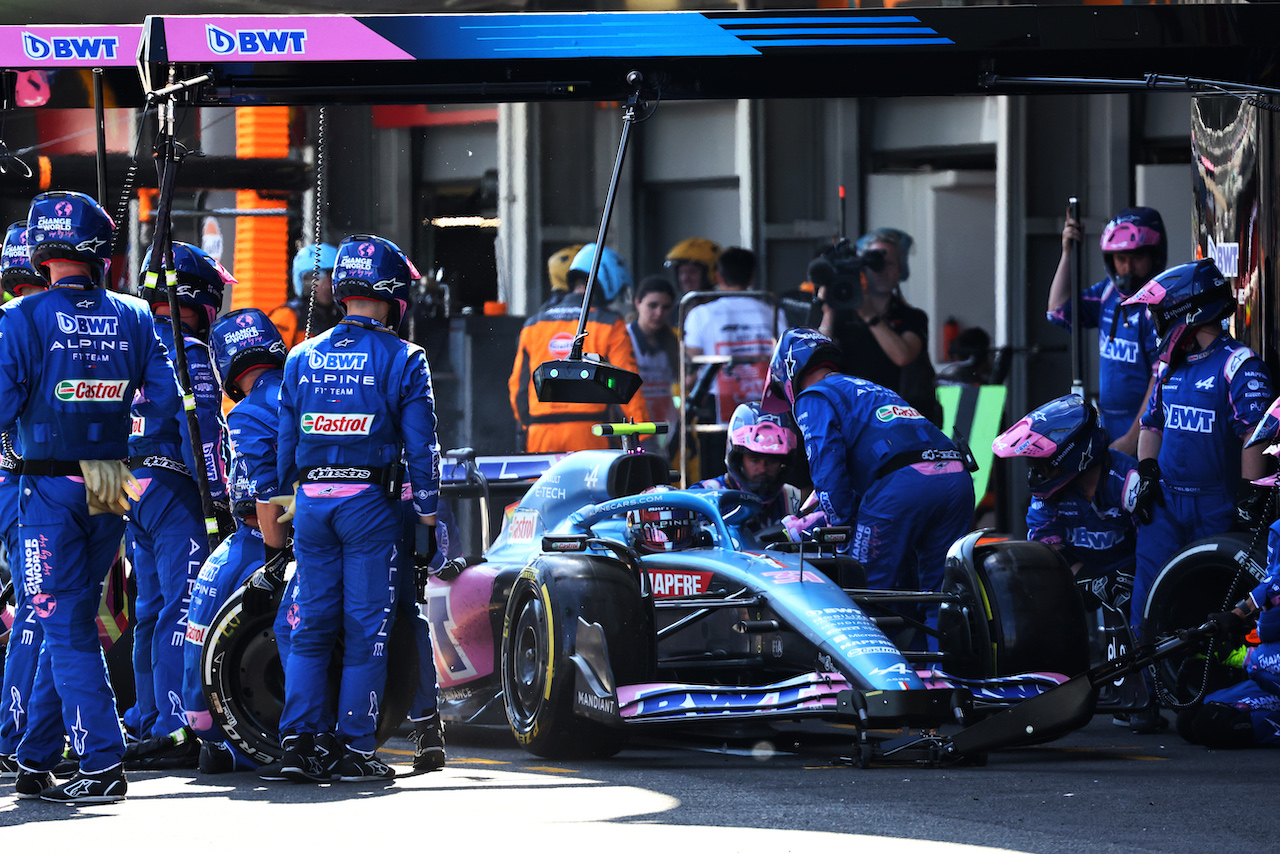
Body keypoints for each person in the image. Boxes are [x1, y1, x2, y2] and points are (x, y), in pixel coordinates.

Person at [1, 190, 182, 803]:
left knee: (63, 623)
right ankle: (34, 756)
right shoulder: (136, 316)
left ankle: (102, 764)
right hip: (113, 479)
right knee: (73, 619)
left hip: (48, 480)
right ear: (99, 251)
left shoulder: (19, 318)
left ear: (41, 249)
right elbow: (163, 402)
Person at [275, 234, 441, 783]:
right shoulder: (406, 358)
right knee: (367, 628)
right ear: (393, 294)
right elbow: (423, 449)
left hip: (310, 504)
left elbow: (283, 447)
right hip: (368, 504)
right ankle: (352, 748)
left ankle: (299, 743)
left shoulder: (299, 356)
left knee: (312, 625)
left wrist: (291, 495)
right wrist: (428, 517)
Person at [763, 327, 974, 640]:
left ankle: (882, 684)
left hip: (904, 484)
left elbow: (827, 470)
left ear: (788, 373)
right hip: (956, 476)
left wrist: (841, 526)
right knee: (940, 594)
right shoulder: (867, 388)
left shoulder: (813, 396)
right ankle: (942, 674)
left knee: (865, 593)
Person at [1124, 259, 1272, 640]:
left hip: (1218, 508)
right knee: (1147, 605)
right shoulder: (1169, 366)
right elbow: (1151, 424)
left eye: (1159, 314)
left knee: (1212, 607)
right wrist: (1147, 472)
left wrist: (1249, 498)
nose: (1156, 323)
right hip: (1166, 504)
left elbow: (1255, 434)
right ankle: (1146, 686)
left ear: (1185, 312)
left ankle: (1205, 691)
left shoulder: (1240, 364)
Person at [125, 242, 232, 764]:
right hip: (171, 485)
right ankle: (175, 726)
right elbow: (203, 435)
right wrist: (221, 502)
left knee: (146, 609)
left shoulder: (128, 342)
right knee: (181, 608)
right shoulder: (187, 352)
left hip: (119, 484)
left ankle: (146, 718)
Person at [182, 306, 289, 773]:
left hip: (257, 538)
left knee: (197, 621)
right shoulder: (307, 391)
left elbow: (263, 499)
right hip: (326, 535)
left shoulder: (243, 413)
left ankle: (209, 738)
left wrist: (273, 558)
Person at [1176, 405, 1280, 748]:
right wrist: (1227, 626)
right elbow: (1271, 585)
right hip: (1269, 670)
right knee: (1190, 721)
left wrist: (1241, 616)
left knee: (1214, 725)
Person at [992, 394, 1137, 612]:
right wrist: (1091, 583)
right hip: (1087, 582)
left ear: (1071, 454)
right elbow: (1047, 549)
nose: (1036, 474)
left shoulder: (1129, 481)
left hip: (1139, 583)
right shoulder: (1049, 495)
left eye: (1042, 465)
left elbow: (1156, 548)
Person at [508, 243, 649, 454]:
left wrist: (528, 427)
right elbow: (628, 388)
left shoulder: (533, 324)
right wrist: (644, 437)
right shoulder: (610, 324)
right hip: (591, 436)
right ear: (608, 281)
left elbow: (517, 388)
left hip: (540, 436)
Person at [1047, 207, 1166, 455]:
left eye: (1136, 257)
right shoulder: (1107, 293)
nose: (1128, 266)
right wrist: (1068, 252)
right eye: (1120, 258)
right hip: (1109, 424)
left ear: (1154, 255)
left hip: (1146, 430)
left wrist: (1133, 439)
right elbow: (1058, 311)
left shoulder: (1159, 306)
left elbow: (1161, 380)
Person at [0, 222, 49, 776]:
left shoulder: (12, 321)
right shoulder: (39, 327)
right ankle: (21, 737)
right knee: (54, 612)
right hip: (38, 487)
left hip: (25, 485)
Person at [808, 228, 940, 425]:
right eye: (877, 264)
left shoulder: (912, 316)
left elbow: (903, 356)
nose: (884, 271)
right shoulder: (839, 314)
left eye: (891, 264)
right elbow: (814, 358)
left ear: (901, 269)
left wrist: (868, 314)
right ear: (862, 268)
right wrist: (829, 311)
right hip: (850, 416)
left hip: (900, 418)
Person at [683, 247, 787, 478]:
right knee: (764, 471)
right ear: (751, 277)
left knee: (716, 475)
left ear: (719, 276)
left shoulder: (701, 314)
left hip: (717, 407)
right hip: (766, 406)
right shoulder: (771, 311)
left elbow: (691, 358)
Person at [696, 402, 804, 530]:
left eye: (772, 461)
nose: (763, 468)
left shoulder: (791, 499)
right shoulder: (705, 495)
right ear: (738, 460)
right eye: (755, 459)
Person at [626, 276, 680, 454]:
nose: (658, 313)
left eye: (665, 307)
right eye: (652, 305)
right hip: (629, 429)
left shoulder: (674, 341)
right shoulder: (623, 338)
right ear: (637, 303)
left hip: (663, 432)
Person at [269, 242, 340, 349]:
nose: (328, 286)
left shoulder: (342, 315)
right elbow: (273, 359)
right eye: (318, 278)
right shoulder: (288, 316)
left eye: (332, 278)